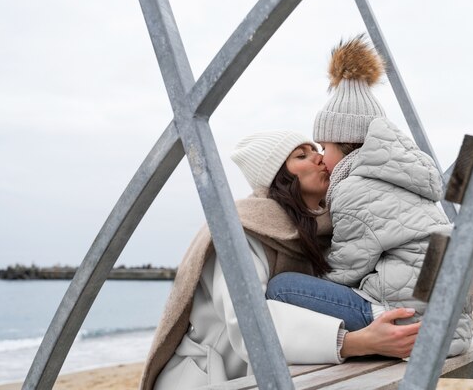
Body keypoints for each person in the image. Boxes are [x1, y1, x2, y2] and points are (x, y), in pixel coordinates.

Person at [140, 131, 421, 390]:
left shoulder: (327, 229)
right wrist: (354, 343)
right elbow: (248, 323)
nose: (319, 157)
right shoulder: (242, 227)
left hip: (279, 375)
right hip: (211, 378)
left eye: (317, 150)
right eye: (302, 155)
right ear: (279, 177)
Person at [266, 35, 473, 357]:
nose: (323, 158)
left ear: (346, 143)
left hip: (408, 325)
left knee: (282, 287)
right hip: (448, 323)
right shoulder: (402, 178)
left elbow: (348, 268)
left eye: (324, 148)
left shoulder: (355, 188)